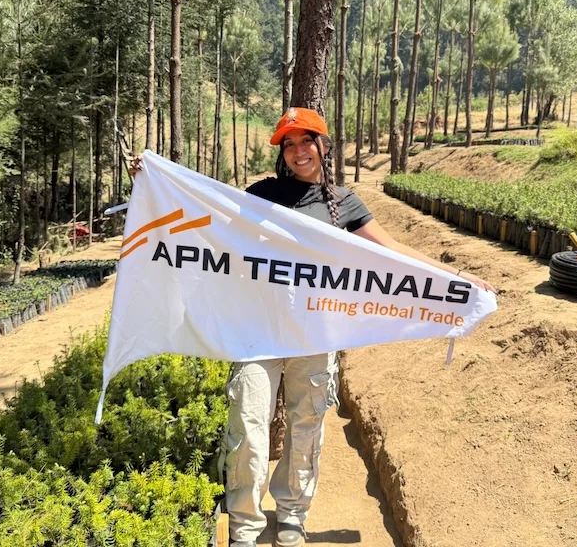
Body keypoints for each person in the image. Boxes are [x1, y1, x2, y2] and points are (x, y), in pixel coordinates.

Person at [130, 107, 495, 547]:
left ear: (324, 145)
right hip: (256, 333)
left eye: (307, 140)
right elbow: (209, 217)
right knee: (247, 426)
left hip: (315, 334)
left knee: (306, 426)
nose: (298, 150)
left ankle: (291, 515)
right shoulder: (263, 194)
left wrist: (456, 278)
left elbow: (393, 251)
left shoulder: (344, 203)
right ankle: (244, 526)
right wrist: (154, 181)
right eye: (289, 143)